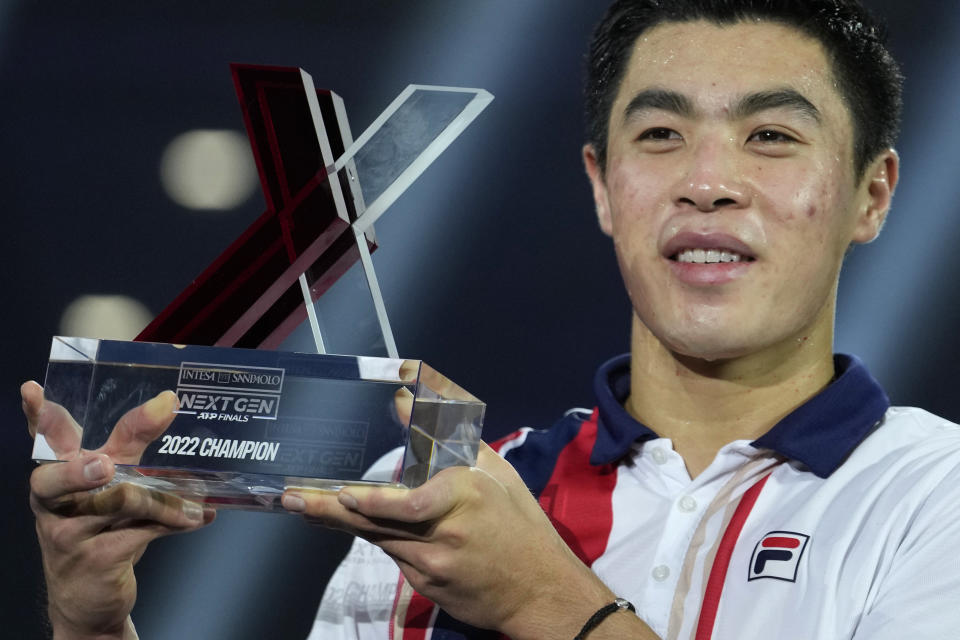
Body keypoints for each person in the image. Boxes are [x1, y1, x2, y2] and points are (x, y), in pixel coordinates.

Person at [24, 0, 960, 638]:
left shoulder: (933, 498)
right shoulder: (446, 498)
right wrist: (92, 623)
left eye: (771, 137)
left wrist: (540, 599)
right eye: (661, 134)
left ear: (872, 195)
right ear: (602, 188)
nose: (707, 183)